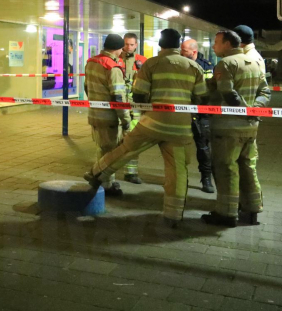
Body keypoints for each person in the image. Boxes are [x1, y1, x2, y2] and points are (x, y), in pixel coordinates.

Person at [84, 29, 207, 227]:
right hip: (180, 127)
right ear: (178, 45)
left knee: (125, 148)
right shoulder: (193, 67)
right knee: (178, 170)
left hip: (152, 122)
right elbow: (201, 97)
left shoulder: (150, 64)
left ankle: (96, 173)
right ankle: (173, 215)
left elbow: (139, 94)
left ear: (160, 44)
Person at [202, 30, 271, 227]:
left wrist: (243, 111)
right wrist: (254, 110)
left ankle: (226, 213)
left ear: (228, 44)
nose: (214, 46)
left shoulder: (226, 63)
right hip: (250, 127)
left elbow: (227, 92)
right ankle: (252, 210)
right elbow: (265, 91)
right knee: (248, 166)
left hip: (228, 127)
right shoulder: (256, 61)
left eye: (216, 42)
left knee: (226, 168)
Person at [84, 34, 131, 197]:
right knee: (111, 153)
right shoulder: (112, 67)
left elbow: (86, 88)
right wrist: (126, 120)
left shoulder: (91, 62)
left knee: (102, 150)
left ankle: (105, 182)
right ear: (119, 49)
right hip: (109, 118)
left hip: (94, 115)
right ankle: (105, 184)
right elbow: (118, 97)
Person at [180, 39, 215, 194]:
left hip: (201, 113)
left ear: (193, 51)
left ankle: (206, 178)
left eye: (184, 50)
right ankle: (181, 178)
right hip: (183, 111)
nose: (181, 52)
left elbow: (209, 90)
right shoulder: (180, 65)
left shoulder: (206, 66)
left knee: (203, 147)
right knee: (179, 146)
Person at [121, 32, 148, 184]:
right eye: (126, 44)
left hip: (135, 107)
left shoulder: (142, 61)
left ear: (136, 45)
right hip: (118, 105)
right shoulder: (116, 59)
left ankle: (131, 172)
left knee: (133, 139)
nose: (129, 47)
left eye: (131, 44)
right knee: (114, 140)